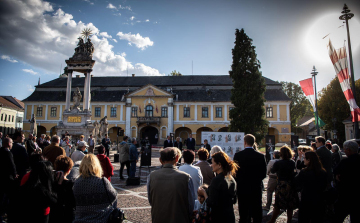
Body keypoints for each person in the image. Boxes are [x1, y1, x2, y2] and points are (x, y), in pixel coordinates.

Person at [147, 147, 195, 223]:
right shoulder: (186, 177)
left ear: (160, 160)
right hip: (180, 219)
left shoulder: (152, 176)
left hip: (158, 218)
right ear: (177, 158)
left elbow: (151, 200)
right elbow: (191, 204)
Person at [73, 154, 118, 223]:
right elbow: (114, 196)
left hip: (80, 220)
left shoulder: (76, 183)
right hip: (101, 219)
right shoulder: (102, 181)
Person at [233, 134, 266, 223]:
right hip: (255, 187)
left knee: (243, 211)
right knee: (256, 211)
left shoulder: (238, 155)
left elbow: (235, 173)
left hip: (242, 187)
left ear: (245, 142)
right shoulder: (260, 156)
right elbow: (263, 173)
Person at [198, 151, 238, 223]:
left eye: (212, 163)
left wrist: (204, 193)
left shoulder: (217, 180)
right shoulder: (231, 178)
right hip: (230, 216)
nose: (211, 165)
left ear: (219, 165)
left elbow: (211, 202)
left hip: (219, 217)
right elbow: (234, 200)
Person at [293, 151, 327, 223]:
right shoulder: (322, 172)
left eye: (305, 158)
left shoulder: (304, 172)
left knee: (304, 219)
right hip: (319, 199)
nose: (303, 160)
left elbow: (296, 183)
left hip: (306, 199)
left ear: (309, 160)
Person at [268, 145, 298, 223]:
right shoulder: (292, 162)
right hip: (290, 184)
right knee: (290, 206)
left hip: (281, 184)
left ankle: (272, 220)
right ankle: (289, 220)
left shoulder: (278, 163)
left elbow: (273, 171)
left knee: (278, 204)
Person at [333, 140, 360, 223]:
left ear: (348, 150)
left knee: (338, 217)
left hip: (345, 195)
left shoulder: (345, 162)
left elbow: (336, 172)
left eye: (345, 149)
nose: (344, 151)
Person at [50, 155, 76, 223]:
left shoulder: (50, 182)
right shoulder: (71, 184)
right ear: (69, 170)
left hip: (53, 214)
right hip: (68, 215)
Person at [0, 138, 17, 222]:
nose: (12, 144)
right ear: (8, 143)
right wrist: (15, 174)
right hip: (7, 177)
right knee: (7, 196)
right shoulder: (8, 152)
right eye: (12, 143)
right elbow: (11, 165)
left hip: (1, 177)